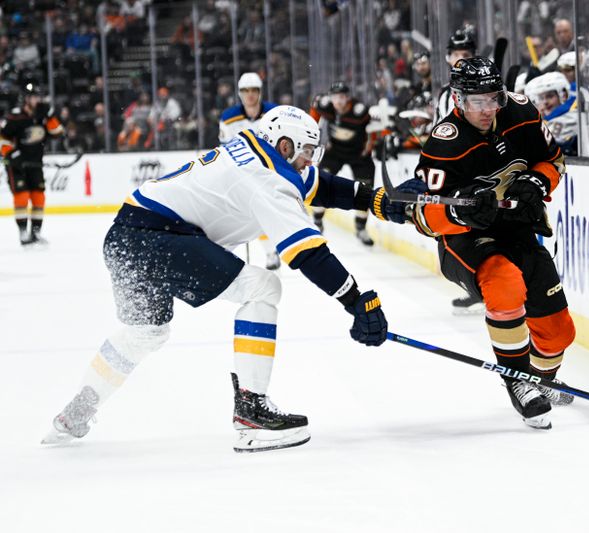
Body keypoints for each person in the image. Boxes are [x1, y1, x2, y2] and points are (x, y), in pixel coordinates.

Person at [42, 106, 388, 452]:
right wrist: (355, 300)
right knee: (263, 287)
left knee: (146, 331)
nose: (310, 161)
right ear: (285, 146)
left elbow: (321, 185)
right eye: (307, 151)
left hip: (123, 239)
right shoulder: (266, 178)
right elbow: (307, 252)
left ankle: (79, 408)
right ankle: (252, 409)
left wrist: (375, 200)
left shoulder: (252, 146)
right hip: (156, 237)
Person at [370, 58, 575, 429]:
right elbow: (425, 217)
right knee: (505, 284)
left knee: (560, 330)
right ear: (458, 99)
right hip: (466, 241)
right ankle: (518, 380)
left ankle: (542, 380)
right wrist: (459, 214)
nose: (487, 109)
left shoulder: (522, 112)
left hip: (516, 228)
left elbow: (554, 161)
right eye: (477, 102)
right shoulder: (444, 143)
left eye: (493, 99)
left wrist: (537, 183)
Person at [432, 27, 483, 315]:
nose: (461, 59)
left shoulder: (489, 86)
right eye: (456, 55)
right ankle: (480, 287)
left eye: (467, 54)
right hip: (457, 173)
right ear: (448, 58)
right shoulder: (444, 94)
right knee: (458, 234)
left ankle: (494, 289)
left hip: (484, 170)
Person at [219, 72, 281, 269]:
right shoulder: (228, 118)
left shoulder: (274, 113)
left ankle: (271, 252)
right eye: (246, 91)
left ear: (260, 92)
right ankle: (226, 256)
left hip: (269, 173)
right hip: (241, 175)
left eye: (254, 90)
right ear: (240, 93)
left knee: (262, 215)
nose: (250, 95)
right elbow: (225, 149)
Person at [309, 81, 376, 246]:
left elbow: (373, 129)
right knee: (320, 182)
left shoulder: (360, 111)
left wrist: (370, 147)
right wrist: (310, 135)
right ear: (330, 98)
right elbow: (313, 113)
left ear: (348, 98)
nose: (338, 101)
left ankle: (361, 228)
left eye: (342, 97)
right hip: (335, 151)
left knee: (365, 189)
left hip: (358, 154)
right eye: (335, 97)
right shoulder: (324, 105)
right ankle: (317, 222)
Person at [0, 83, 63, 245]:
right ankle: (22, 232)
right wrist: (12, 154)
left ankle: (35, 233)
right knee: (22, 196)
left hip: (35, 164)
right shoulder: (15, 117)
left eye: (38, 97)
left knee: (38, 197)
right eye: (34, 97)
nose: (38, 100)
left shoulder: (42, 116)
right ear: (26, 99)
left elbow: (58, 134)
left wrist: (50, 117)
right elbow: (2, 139)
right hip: (17, 165)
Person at [525, 71, 579, 155]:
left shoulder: (572, 117)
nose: (545, 102)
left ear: (563, 95)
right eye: (541, 98)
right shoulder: (543, 121)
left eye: (550, 96)